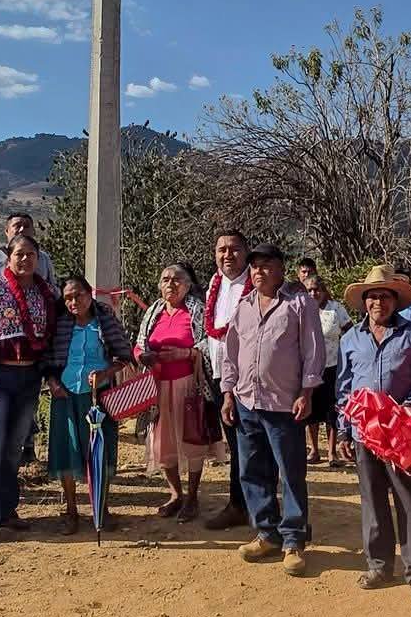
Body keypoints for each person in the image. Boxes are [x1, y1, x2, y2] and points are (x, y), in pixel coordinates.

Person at [219, 243, 325, 576]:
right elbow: (230, 354)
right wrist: (227, 394)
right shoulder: (244, 307)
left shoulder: (299, 304)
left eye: (266, 265)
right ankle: (267, 533)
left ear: (281, 269)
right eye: (254, 266)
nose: (259, 272)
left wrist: (306, 393)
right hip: (247, 402)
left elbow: (313, 351)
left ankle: (293, 540)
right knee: (252, 471)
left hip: (284, 405)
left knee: (291, 473)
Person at [334, 265, 411, 601]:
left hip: (401, 434)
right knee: (372, 499)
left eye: (385, 296)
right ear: (364, 301)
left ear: (395, 300)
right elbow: (344, 387)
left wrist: (408, 406)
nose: (379, 302)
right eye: (373, 296)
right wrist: (344, 431)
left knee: (410, 501)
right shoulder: (350, 339)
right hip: (364, 434)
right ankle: (379, 565)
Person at [0, 234, 58, 547]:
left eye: (31, 254)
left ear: (38, 258)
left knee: (14, 448)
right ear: (9, 257)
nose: (25, 259)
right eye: (19, 254)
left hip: (29, 378)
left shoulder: (46, 293)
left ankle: (6, 509)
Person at [45, 273, 134, 534]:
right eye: (68, 298)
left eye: (79, 295)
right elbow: (47, 358)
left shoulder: (105, 318)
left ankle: (101, 508)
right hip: (65, 395)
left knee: (99, 452)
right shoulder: (60, 323)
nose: (74, 302)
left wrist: (106, 373)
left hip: (97, 398)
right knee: (67, 450)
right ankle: (71, 511)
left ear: (89, 293)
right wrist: (52, 381)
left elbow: (123, 355)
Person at [137, 262, 225, 521]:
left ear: (188, 285)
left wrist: (186, 353)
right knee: (162, 443)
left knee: (192, 441)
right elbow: (140, 343)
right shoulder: (154, 311)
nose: (170, 284)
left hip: (188, 386)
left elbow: (209, 343)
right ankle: (176, 494)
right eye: (165, 279)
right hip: (157, 388)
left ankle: (193, 497)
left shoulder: (198, 311)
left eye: (177, 279)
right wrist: (142, 355)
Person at [201, 230, 254, 530]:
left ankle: (248, 505)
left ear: (246, 252)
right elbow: (212, 330)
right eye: (221, 250)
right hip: (219, 374)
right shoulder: (214, 283)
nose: (227, 255)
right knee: (235, 441)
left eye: (234, 249)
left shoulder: (255, 283)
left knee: (250, 443)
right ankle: (241, 504)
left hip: (248, 376)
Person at [302, 272, 349, 465]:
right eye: (309, 290)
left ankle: (331, 453)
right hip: (310, 367)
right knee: (311, 411)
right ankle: (314, 450)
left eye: (317, 290)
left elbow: (349, 332)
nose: (313, 293)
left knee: (331, 410)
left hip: (333, 367)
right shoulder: (302, 309)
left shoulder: (336, 309)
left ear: (323, 291)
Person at [0, 211, 56, 284]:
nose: (22, 229)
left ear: (33, 231)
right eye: (17, 226)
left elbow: (52, 285)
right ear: (7, 231)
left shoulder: (43, 258)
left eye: (26, 226)